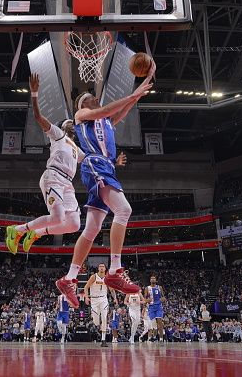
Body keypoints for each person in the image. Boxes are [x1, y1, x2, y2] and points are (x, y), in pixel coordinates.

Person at [56, 61, 156, 307]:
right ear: (82, 105)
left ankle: (68, 278)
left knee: (91, 230)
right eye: (90, 97)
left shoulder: (107, 122)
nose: (94, 99)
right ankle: (114, 270)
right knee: (124, 210)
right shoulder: (81, 116)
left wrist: (141, 86)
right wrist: (131, 95)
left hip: (105, 169)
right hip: (95, 165)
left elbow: (126, 106)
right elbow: (106, 110)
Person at [6, 73, 85, 255]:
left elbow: (91, 160)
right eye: (69, 122)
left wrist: (113, 159)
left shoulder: (76, 148)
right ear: (63, 126)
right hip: (53, 177)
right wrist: (34, 95)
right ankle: (17, 230)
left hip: (67, 183)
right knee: (57, 217)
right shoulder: (59, 135)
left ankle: (36, 233)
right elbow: (39, 118)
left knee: (74, 224)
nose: (72, 124)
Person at [84, 263, 119, 347]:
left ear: (105, 269)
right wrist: (86, 297)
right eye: (100, 266)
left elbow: (112, 290)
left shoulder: (107, 279)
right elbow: (86, 287)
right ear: (98, 268)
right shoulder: (93, 277)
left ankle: (103, 340)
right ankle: (98, 324)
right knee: (96, 321)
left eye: (103, 266)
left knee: (104, 318)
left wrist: (115, 298)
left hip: (103, 299)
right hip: (94, 300)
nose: (101, 268)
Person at [144, 275, 167, 342]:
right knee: (153, 324)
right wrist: (146, 300)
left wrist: (164, 299)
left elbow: (163, 297)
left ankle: (161, 338)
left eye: (154, 278)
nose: (153, 279)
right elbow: (145, 298)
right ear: (150, 280)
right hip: (151, 307)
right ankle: (154, 337)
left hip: (158, 307)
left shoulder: (159, 287)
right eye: (151, 278)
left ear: (156, 280)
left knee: (159, 321)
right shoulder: (147, 288)